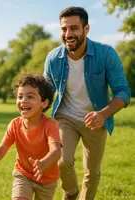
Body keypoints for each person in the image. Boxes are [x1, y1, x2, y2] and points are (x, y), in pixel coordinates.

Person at [43, 6, 131, 200]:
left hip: (97, 118)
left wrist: (103, 114)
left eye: (74, 28)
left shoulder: (106, 54)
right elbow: (45, 95)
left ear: (86, 29)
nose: (68, 34)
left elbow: (123, 93)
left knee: (92, 172)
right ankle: (71, 193)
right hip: (65, 117)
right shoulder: (53, 58)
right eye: (64, 29)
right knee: (62, 162)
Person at [0, 73, 62, 200]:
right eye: (20, 96)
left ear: (44, 103)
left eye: (30, 96)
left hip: (47, 179)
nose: (23, 100)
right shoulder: (15, 124)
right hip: (23, 174)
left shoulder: (50, 125)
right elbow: (2, 149)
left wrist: (43, 163)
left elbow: (56, 151)